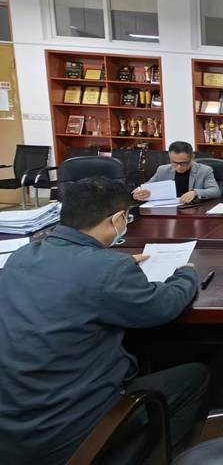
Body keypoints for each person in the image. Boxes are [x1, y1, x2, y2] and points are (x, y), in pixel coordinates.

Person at [0, 177, 207, 465]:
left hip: (12, 424)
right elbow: (163, 306)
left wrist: (113, 268)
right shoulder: (109, 268)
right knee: (195, 377)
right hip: (65, 431)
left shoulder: (21, 256)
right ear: (118, 219)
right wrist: (186, 274)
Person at [132, 140, 220, 204]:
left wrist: (195, 192)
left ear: (192, 158)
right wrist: (136, 193)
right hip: (169, 210)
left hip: (193, 210)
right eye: (174, 162)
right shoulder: (163, 170)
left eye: (183, 163)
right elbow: (146, 187)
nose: (178, 166)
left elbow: (215, 191)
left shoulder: (204, 170)